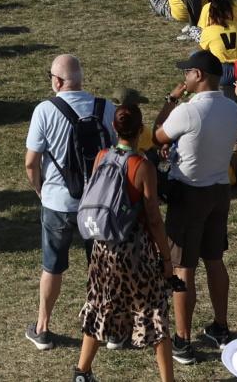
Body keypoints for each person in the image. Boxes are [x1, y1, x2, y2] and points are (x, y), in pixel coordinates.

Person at [74, 97, 177, 382]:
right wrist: (166, 260)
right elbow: (153, 217)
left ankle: (82, 372)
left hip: (102, 247)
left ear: (113, 127)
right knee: (153, 311)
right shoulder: (142, 167)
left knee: (100, 304)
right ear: (140, 129)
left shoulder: (100, 157)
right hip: (134, 250)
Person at [154, 51, 237, 363]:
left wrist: (170, 99)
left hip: (189, 193)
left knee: (183, 268)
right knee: (215, 259)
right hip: (220, 190)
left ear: (199, 76)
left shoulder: (188, 111)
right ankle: (220, 327)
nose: (185, 78)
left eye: (188, 73)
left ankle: (182, 340)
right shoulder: (232, 109)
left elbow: (157, 134)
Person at [24, 54, 115, 351]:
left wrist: (39, 189)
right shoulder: (105, 108)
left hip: (59, 201)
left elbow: (31, 162)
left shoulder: (45, 111)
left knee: (53, 266)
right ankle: (109, 327)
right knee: (101, 266)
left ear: (57, 81)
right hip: (99, 204)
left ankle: (43, 327)